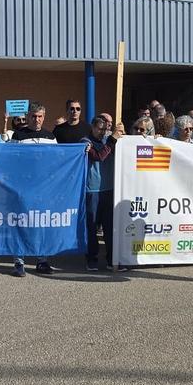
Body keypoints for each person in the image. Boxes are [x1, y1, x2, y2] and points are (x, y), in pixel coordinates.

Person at [8, 103, 58, 277]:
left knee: (41, 223)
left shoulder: (50, 137)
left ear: (44, 117)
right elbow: (10, 160)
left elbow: (57, 160)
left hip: (43, 189)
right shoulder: (18, 135)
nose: (37, 120)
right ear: (28, 116)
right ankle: (18, 262)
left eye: (40, 116)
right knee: (20, 223)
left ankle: (42, 260)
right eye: (33, 116)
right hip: (22, 187)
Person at [83, 115, 115, 271]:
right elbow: (98, 156)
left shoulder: (109, 140)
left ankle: (112, 259)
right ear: (93, 127)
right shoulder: (85, 141)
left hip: (109, 189)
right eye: (99, 129)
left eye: (105, 129)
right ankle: (92, 259)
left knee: (109, 227)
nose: (102, 132)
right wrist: (112, 141)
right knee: (92, 226)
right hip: (92, 190)